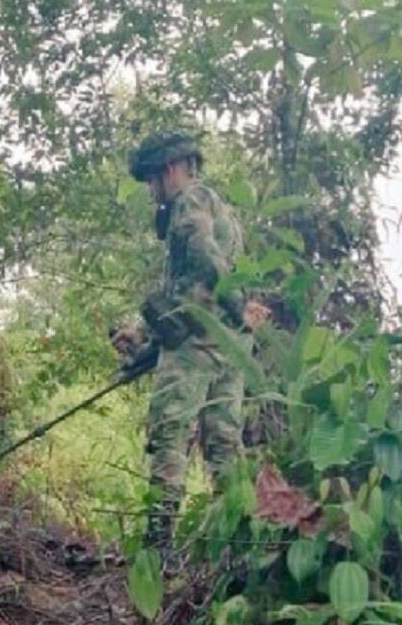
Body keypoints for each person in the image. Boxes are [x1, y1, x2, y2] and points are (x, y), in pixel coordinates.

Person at [111, 131, 249, 548]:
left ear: (170, 170)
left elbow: (205, 257)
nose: (153, 191)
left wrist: (236, 301)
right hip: (228, 348)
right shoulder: (224, 208)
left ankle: (158, 551)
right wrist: (149, 341)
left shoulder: (189, 200)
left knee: (169, 439)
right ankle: (239, 550)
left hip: (196, 349)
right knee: (225, 449)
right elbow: (195, 291)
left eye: (152, 181)